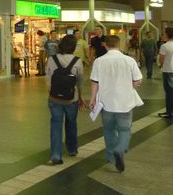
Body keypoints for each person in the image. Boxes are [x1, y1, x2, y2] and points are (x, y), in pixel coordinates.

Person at [90, 35, 143, 172]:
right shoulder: (129, 60)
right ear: (120, 45)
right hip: (125, 102)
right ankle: (119, 149)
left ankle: (111, 157)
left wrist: (92, 99)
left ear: (105, 45)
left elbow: (95, 82)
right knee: (125, 130)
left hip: (106, 102)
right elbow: (138, 81)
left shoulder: (99, 61)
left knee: (108, 129)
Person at [45, 35, 86, 165]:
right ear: (74, 47)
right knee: (71, 123)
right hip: (71, 99)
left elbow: (48, 79)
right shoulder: (77, 61)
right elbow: (79, 82)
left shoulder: (52, 59)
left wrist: (52, 93)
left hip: (54, 99)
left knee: (56, 125)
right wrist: (81, 97)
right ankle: (72, 149)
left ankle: (56, 155)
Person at [157, 27, 173, 118]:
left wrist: (160, 66)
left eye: (164, 33)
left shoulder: (164, 46)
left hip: (168, 71)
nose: (163, 35)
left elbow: (161, 60)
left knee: (169, 92)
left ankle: (169, 112)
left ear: (167, 34)